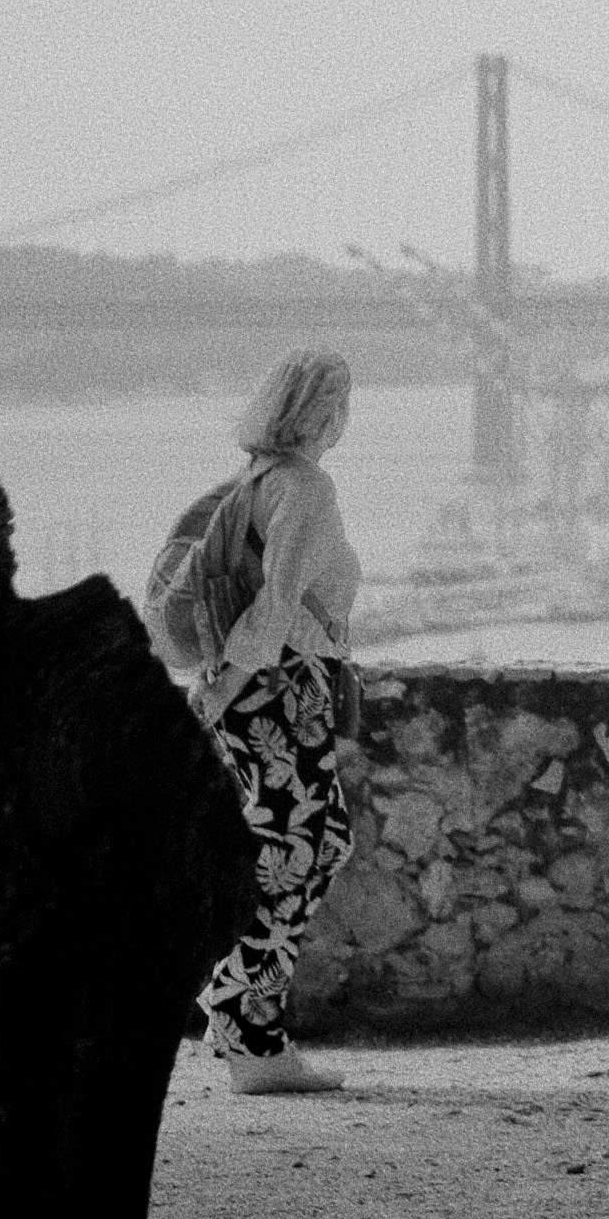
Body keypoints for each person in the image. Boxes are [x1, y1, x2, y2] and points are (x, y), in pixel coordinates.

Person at [169, 347, 364, 1095]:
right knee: (300, 846)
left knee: (312, 840)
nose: (344, 417)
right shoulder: (307, 488)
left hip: (260, 688)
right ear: (321, 411)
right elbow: (276, 605)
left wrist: (220, 688)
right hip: (277, 690)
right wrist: (226, 690)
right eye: (340, 402)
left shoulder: (259, 479)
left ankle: (237, 1003)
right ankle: (247, 1023)